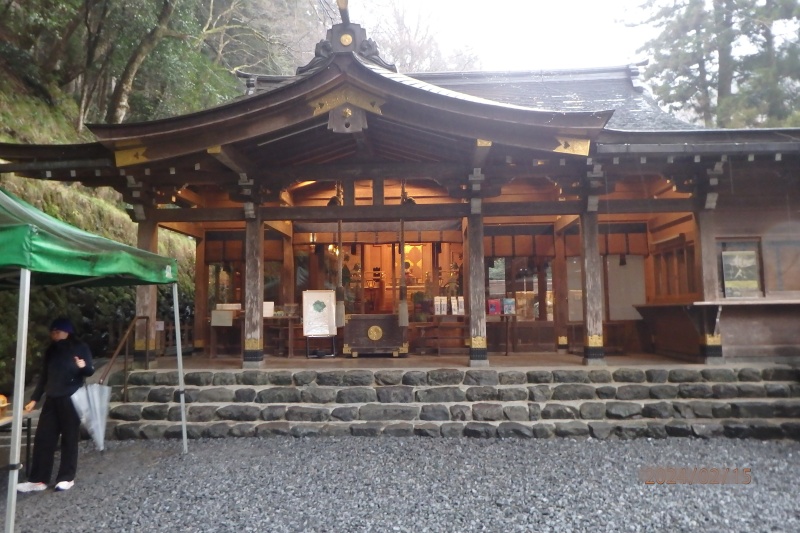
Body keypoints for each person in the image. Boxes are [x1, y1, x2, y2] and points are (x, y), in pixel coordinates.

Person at [17, 317, 94, 493]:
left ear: (67, 332)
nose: (54, 335)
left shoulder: (80, 347)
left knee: (69, 438)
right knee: (44, 438)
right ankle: (38, 479)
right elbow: (44, 375)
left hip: (72, 396)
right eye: (52, 332)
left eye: (57, 331)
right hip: (51, 397)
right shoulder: (51, 350)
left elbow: (89, 370)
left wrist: (83, 366)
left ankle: (67, 477)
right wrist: (34, 398)